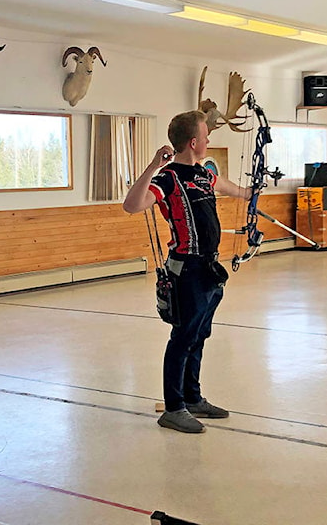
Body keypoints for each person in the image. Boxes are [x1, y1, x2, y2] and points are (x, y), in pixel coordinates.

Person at [123, 110, 251, 434]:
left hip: (209, 266)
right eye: (206, 135)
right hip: (187, 268)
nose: (209, 140)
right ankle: (173, 408)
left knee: (199, 335)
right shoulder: (168, 178)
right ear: (194, 142)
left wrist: (253, 192)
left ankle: (193, 398)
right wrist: (153, 166)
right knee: (182, 338)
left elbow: (232, 188)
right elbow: (132, 205)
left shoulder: (204, 174)